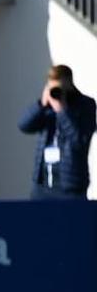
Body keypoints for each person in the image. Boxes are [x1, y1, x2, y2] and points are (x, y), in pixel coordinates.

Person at [17, 64, 96, 200]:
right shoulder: (47, 107)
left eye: (59, 88)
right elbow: (24, 126)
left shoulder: (85, 105)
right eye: (52, 88)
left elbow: (79, 140)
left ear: (69, 84)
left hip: (70, 187)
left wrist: (62, 110)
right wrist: (40, 105)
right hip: (42, 186)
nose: (56, 92)